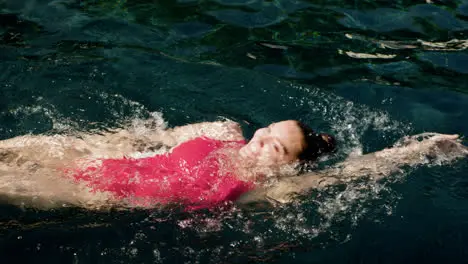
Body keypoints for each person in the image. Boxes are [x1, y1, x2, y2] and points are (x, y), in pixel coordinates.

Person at [0, 119, 335, 210]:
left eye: (273, 146)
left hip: (93, 192)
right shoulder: (222, 130)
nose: (259, 137)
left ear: (288, 167)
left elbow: (349, 173)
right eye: (268, 128)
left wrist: (390, 158)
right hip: (95, 158)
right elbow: (146, 137)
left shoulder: (264, 188)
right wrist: (89, 146)